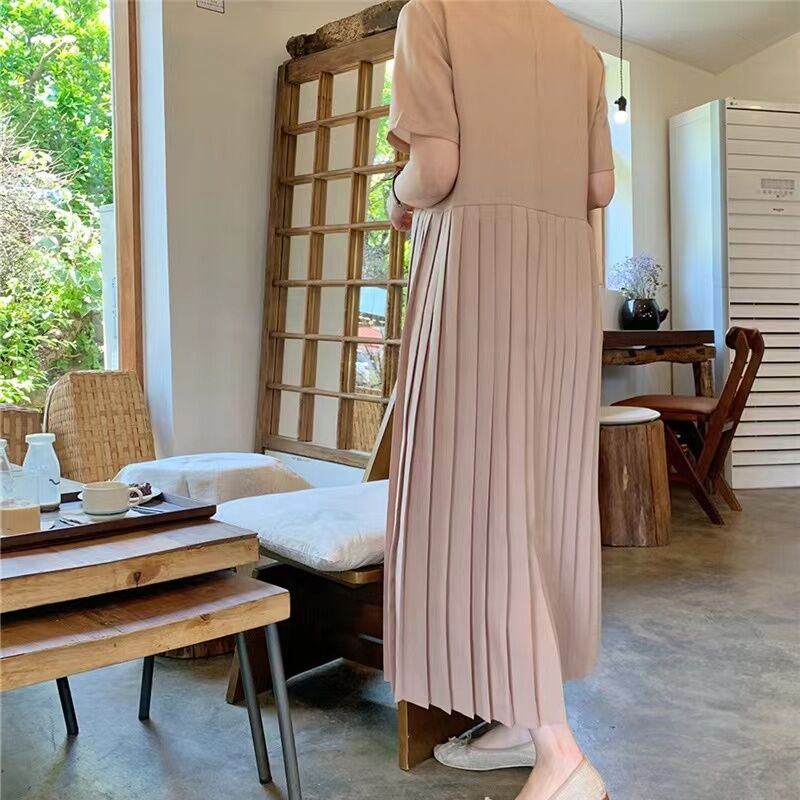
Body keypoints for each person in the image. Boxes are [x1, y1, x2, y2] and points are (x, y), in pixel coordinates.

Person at [383, 1, 615, 798]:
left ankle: (560, 753)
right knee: (542, 495)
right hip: (562, 277)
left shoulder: (433, 13)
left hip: (477, 266)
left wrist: (397, 197)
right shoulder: (580, 48)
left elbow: (436, 169)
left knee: (476, 498)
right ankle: (519, 712)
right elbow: (599, 185)